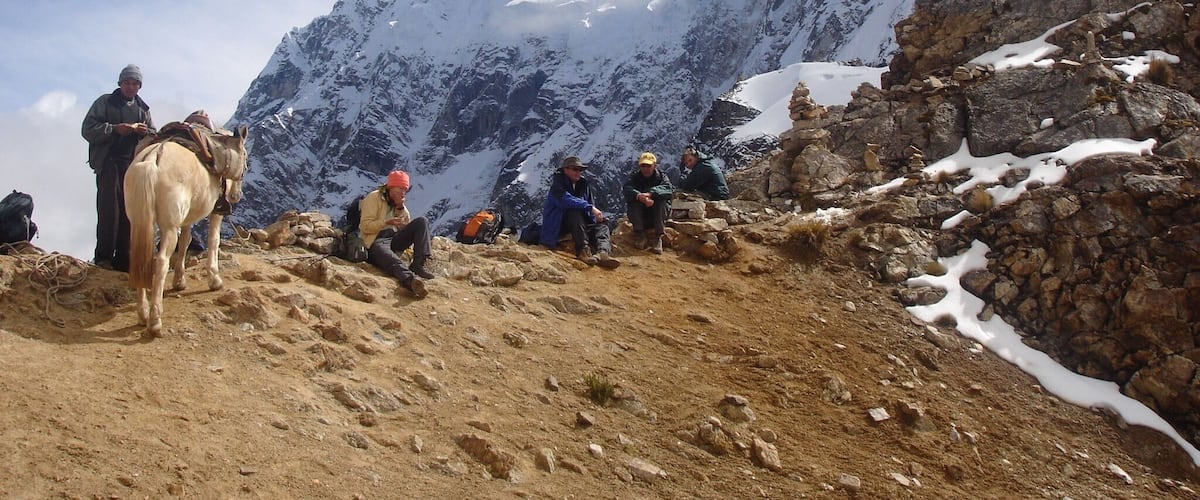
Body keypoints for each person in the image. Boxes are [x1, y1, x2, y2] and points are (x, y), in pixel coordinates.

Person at [82, 64, 156, 271]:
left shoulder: (143, 109)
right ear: (120, 83)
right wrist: (115, 129)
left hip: (133, 166)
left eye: (134, 83)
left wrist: (144, 132)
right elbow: (88, 129)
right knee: (109, 211)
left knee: (129, 212)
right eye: (127, 83)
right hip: (108, 162)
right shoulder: (105, 102)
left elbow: (154, 135)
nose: (130, 87)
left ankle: (124, 261)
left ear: (139, 86)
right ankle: (103, 257)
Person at [358, 170, 435, 297]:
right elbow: (365, 227)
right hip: (375, 240)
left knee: (422, 222)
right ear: (390, 188)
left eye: (405, 190)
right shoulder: (374, 197)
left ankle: (418, 264)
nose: (402, 193)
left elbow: (406, 222)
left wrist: (400, 208)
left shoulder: (397, 204)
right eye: (399, 189)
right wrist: (386, 222)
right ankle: (411, 281)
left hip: (393, 238)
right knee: (393, 261)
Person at [539, 156, 620, 269]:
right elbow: (566, 201)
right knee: (573, 211)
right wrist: (590, 208)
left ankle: (603, 253)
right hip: (559, 225)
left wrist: (595, 218)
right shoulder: (557, 187)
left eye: (580, 170)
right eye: (575, 169)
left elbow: (589, 206)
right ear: (565, 170)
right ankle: (583, 251)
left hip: (580, 224)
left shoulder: (583, 185)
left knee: (602, 225)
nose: (578, 172)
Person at [622, 152, 672, 254]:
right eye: (643, 166)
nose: (645, 169)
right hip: (641, 215)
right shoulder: (635, 176)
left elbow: (669, 189)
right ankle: (640, 235)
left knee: (661, 201)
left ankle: (658, 237)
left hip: (657, 215)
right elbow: (627, 188)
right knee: (633, 202)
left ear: (654, 166)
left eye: (648, 166)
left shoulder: (662, 177)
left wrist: (651, 194)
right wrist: (639, 196)